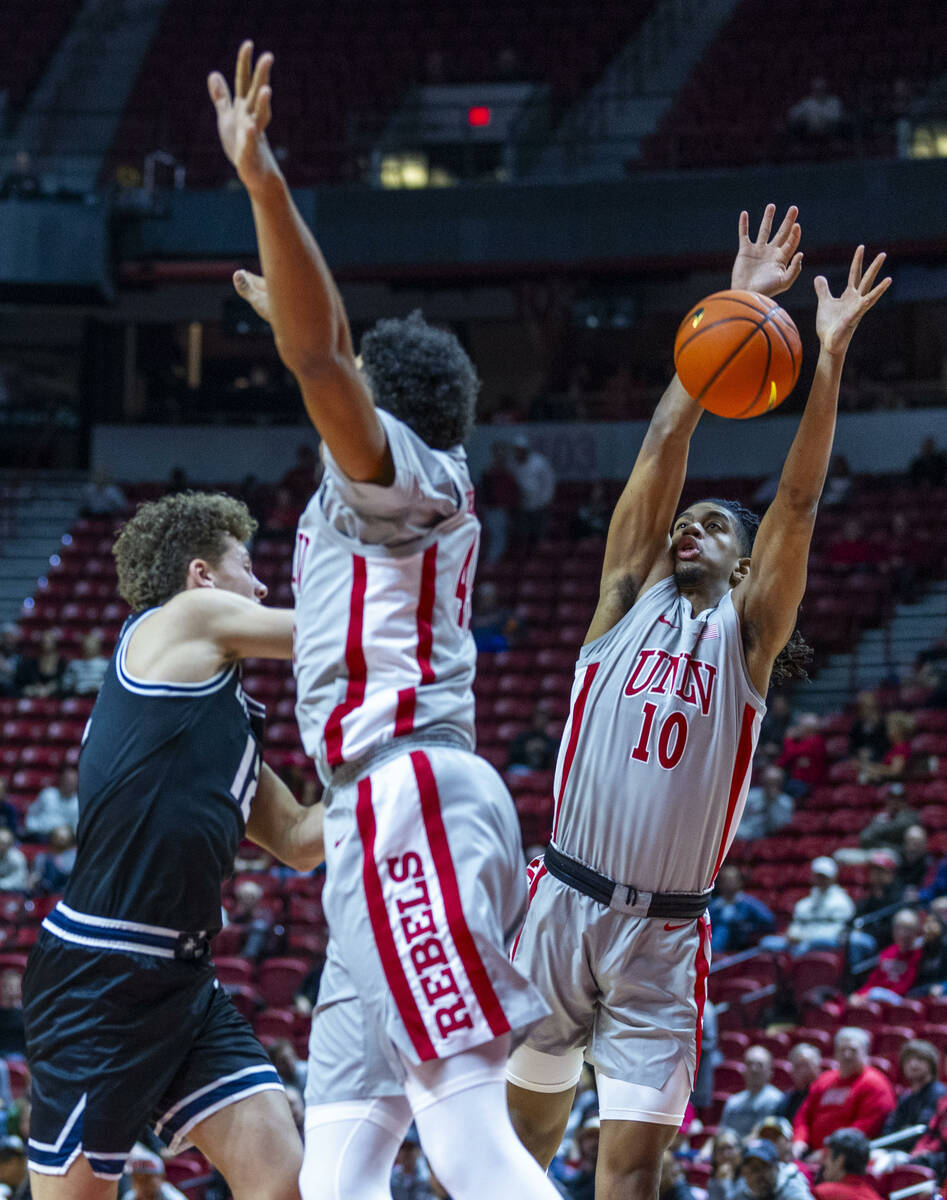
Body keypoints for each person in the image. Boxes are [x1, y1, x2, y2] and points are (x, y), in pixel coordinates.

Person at [209, 41, 558, 1200]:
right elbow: (315, 351)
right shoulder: (370, 507)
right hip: (378, 819)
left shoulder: (400, 473)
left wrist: (267, 192)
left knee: (464, 1138)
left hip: (405, 793)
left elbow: (322, 354)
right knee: (338, 1170)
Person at [505, 199, 890, 1200]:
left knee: (626, 1175)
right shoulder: (622, 602)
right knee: (512, 1151)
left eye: (714, 524)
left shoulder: (746, 638)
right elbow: (655, 455)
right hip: (560, 901)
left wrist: (828, 356)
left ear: (746, 558)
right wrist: (731, 302)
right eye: (685, 520)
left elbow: (796, 501)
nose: (688, 526)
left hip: (663, 936)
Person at [22, 491, 325, 1200]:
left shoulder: (212, 724)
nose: (261, 586)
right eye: (249, 568)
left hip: (184, 980)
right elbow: (330, 636)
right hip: (100, 973)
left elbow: (302, 842)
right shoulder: (179, 618)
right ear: (201, 575)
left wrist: (381, 759)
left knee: (284, 1182)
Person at [792, 1029, 896, 1157]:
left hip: (847, 1158)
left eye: (853, 1050)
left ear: (865, 1053)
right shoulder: (824, 1080)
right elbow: (803, 1116)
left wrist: (827, 1153)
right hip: (812, 1154)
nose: (847, 1055)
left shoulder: (875, 1084)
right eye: (842, 1050)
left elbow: (862, 1130)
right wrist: (799, 1141)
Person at [780, 858, 855, 953]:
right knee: (769, 943)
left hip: (822, 943)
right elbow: (797, 924)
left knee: (816, 944)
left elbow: (837, 930)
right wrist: (793, 934)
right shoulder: (804, 904)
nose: (821, 880)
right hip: (800, 943)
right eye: (818, 876)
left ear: (833, 878)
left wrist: (803, 938)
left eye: (824, 877)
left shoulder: (842, 901)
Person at [853, 908, 922, 1001]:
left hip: (902, 1002)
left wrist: (874, 994)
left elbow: (906, 986)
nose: (903, 933)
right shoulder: (888, 952)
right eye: (899, 928)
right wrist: (859, 995)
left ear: (916, 931)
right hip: (878, 998)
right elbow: (873, 981)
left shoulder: (919, 954)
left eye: (908, 929)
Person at [880, 1041, 945, 1136]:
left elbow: (922, 1131)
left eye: (920, 1059)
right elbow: (888, 1129)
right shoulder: (906, 1097)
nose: (913, 1064)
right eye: (908, 1060)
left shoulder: (939, 1094)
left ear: (932, 1064)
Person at [707, 866, 775, 954]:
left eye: (731, 880)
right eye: (725, 880)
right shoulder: (713, 906)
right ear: (719, 883)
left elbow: (769, 920)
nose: (728, 884)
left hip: (742, 945)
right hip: (717, 945)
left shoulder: (749, 903)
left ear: (739, 882)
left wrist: (747, 925)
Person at [720, 1048, 785, 1139]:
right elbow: (721, 1133)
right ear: (743, 1070)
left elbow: (762, 1135)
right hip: (729, 1149)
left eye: (760, 1065)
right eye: (749, 1064)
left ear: (770, 1072)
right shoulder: (733, 1101)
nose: (754, 1069)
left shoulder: (776, 1100)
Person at [510, 436, 556, 549]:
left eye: (520, 450)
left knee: (540, 535)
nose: (518, 453)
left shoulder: (539, 462)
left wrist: (546, 500)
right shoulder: (512, 464)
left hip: (539, 505)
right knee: (523, 536)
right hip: (522, 506)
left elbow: (549, 482)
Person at [479, 442, 520, 564]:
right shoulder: (488, 474)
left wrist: (510, 506)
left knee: (500, 537)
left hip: (503, 510)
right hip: (492, 509)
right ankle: (492, 562)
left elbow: (513, 491)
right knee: (494, 536)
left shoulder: (508, 474)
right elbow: (484, 493)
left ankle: (497, 562)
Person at [732, 1139, 813, 1200]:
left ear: (776, 1167)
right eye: (752, 1170)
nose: (757, 1176)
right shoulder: (740, 1194)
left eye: (762, 1168)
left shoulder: (793, 1190)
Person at [812, 1129, 881, 1200]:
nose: (824, 1162)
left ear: (839, 1161)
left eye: (827, 1156)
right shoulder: (875, 1197)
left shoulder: (823, 1194)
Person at [736, 766, 794, 841]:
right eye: (768, 782)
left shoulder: (786, 802)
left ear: (781, 783)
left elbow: (782, 826)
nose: (771, 785)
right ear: (763, 781)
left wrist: (773, 802)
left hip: (773, 841)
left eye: (775, 782)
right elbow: (739, 821)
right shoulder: (749, 797)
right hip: (746, 837)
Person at [777, 715, 827, 797]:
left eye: (800, 726)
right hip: (797, 781)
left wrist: (788, 739)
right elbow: (783, 761)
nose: (797, 728)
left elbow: (791, 753)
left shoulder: (816, 741)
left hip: (809, 785)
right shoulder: (802, 741)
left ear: (808, 729)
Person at [24, 767, 79, 841]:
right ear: (61, 780)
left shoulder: (77, 802)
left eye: (72, 782)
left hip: (62, 838)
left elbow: (75, 826)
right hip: (39, 833)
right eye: (67, 780)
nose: (69, 784)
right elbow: (32, 813)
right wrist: (31, 827)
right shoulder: (47, 794)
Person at [776, 1045, 823, 1125]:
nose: (803, 1071)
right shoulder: (788, 1098)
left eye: (806, 1065)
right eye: (798, 1066)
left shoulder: (825, 1095)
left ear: (817, 1068)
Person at [29, 825, 76, 896]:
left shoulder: (75, 858)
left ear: (70, 840)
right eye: (58, 837)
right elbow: (35, 875)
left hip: (67, 894)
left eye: (64, 838)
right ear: (52, 838)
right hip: (45, 895)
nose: (61, 840)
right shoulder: (42, 857)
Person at [61, 632, 109, 698]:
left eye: (92, 644)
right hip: (79, 698)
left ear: (98, 646)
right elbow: (66, 686)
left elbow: (110, 686)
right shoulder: (74, 664)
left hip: (100, 698)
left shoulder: (106, 664)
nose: (89, 647)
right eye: (87, 644)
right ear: (82, 646)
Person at [706, 1130, 745, 1200]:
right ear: (714, 1156)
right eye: (720, 1149)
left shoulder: (748, 1179)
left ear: (740, 1150)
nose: (725, 1154)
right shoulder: (712, 1181)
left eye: (730, 1148)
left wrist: (726, 1182)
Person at [0, 829, 28, 893]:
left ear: (10, 844)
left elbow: (18, 881)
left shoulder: (17, 858)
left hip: (14, 893)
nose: (0, 846)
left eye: (3, 843)